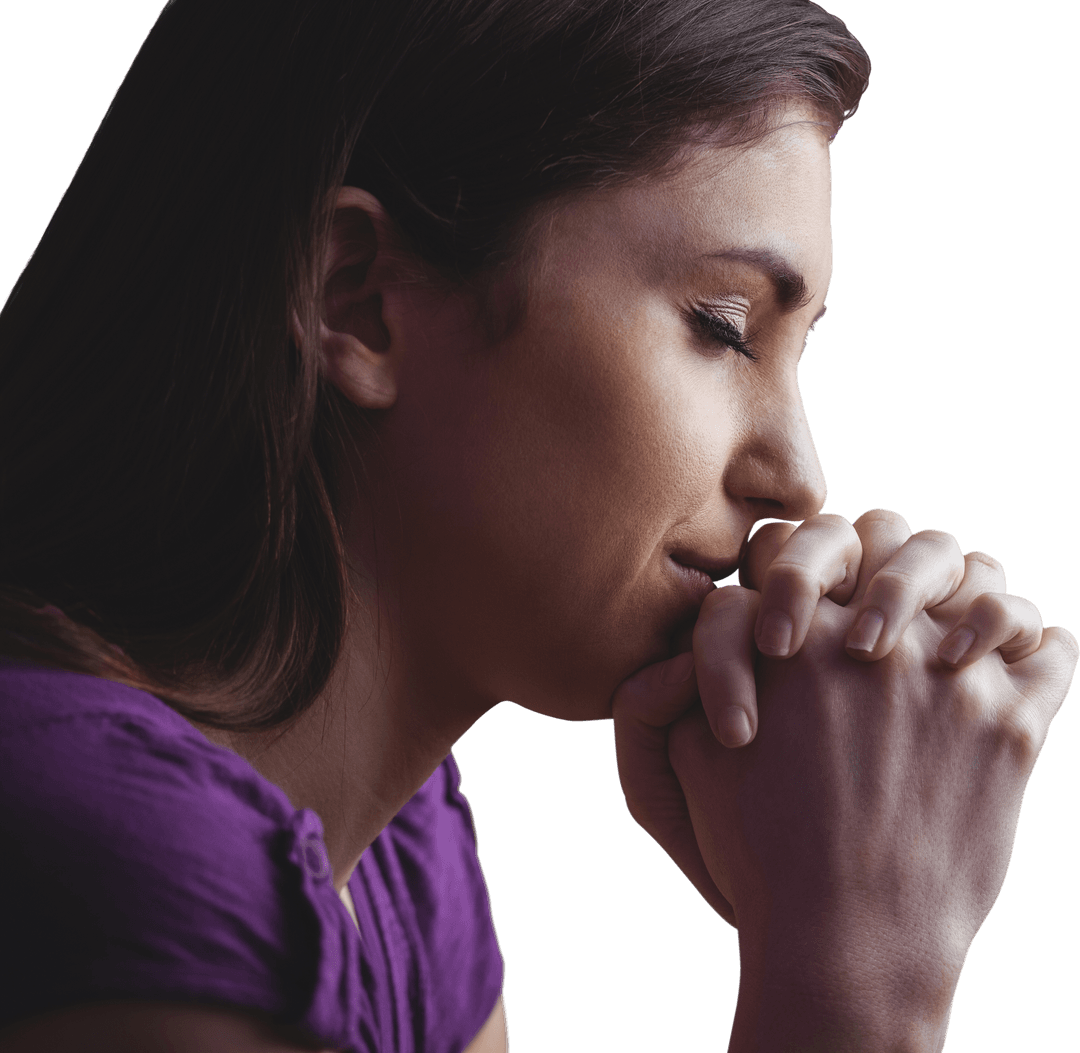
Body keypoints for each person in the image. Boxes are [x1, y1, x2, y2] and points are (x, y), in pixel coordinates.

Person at [0, 1, 1074, 1051]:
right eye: (724, 326)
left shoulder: (392, 848)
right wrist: (860, 971)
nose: (800, 478)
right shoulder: (129, 856)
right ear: (357, 298)